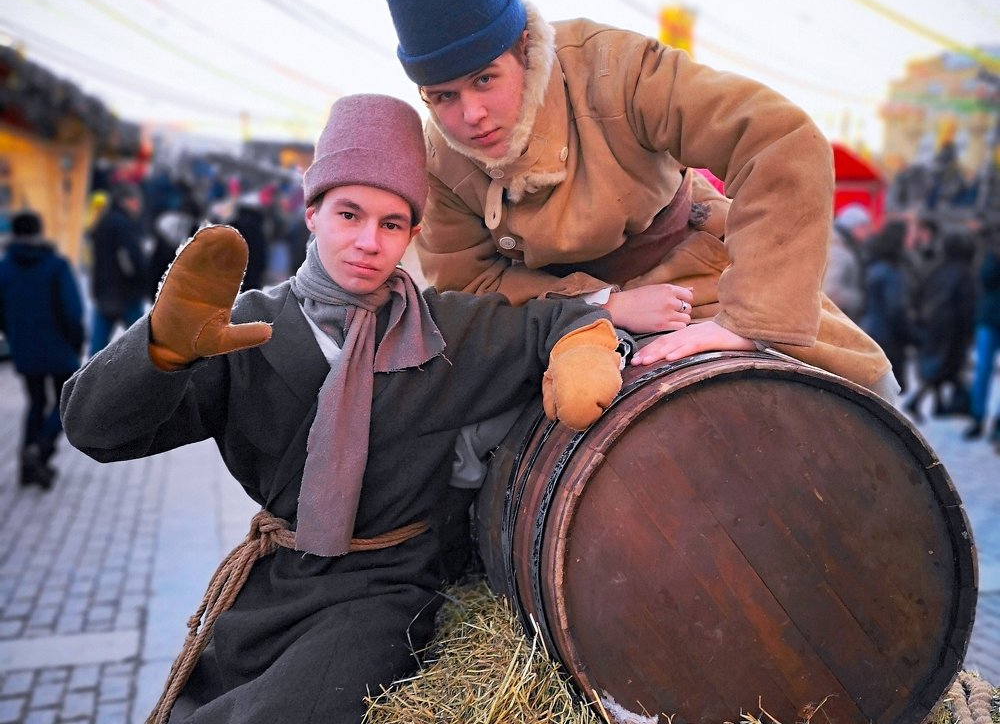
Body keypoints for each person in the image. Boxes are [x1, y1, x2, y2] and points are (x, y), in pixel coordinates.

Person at [60, 94, 624, 723]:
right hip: (277, 581)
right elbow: (94, 431)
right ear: (312, 212)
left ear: (413, 234)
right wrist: (162, 350)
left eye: (392, 224)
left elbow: (552, 322)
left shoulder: (443, 332)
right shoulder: (242, 330)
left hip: (385, 586)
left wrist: (582, 348)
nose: (368, 242)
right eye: (349, 214)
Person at [380, 0, 895, 548]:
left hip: (694, 269)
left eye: (485, 80)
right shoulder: (440, 159)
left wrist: (747, 321)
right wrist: (602, 305)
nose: (470, 116)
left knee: (869, 399)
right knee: (460, 461)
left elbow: (780, 140)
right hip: (558, 320)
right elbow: (471, 283)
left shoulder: (614, 68)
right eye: (444, 96)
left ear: (523, 49)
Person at [0, 210, 85, 489]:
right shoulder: (56, 265)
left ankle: (27, 465)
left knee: (35, 402)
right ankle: (40, 449)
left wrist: (13, 338)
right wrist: (76, 341)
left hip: (24, 348)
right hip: (60, 347)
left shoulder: (4, 268)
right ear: (39, 231)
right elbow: (72, 311)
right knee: (66, 404)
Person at [904, 228, 977, 422]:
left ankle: (939, 405)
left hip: (932, 325)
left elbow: (919, 294)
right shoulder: (965, 273)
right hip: (952, 329)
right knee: (945, 368)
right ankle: (915, 401)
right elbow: (967, 305)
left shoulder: (936, 269)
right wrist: (969, 331)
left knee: (940, 366)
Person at [88, 181, 148, 356]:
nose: (138, 205)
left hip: (104, 292)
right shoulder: (123, 224)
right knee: (141, 345)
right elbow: (130, 259)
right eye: (134, 201)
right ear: (125, 201)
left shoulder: (103, 221)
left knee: (97, 348)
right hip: (125, 292)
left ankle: (90, 373)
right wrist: (142, 281)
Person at [859, 220, 917, 397]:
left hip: (872, 330)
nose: (913, 239)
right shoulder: (891, 270)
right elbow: (896, 309)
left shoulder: (876, 264)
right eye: (909, 235)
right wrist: (911, 335)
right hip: (888, 338)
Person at [964, 225, 1000, 441]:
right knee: (983, 370)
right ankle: (977, 418)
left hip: (989, 317)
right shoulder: (991, 251)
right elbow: (985, 278)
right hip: (989, 318)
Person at [823, 203, 873, 322]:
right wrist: (856, 299)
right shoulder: (839, 251)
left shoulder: (847, 247)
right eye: (865, 227)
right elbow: (830, 291)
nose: (868, 232)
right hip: (840, 318)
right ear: (854, 226)